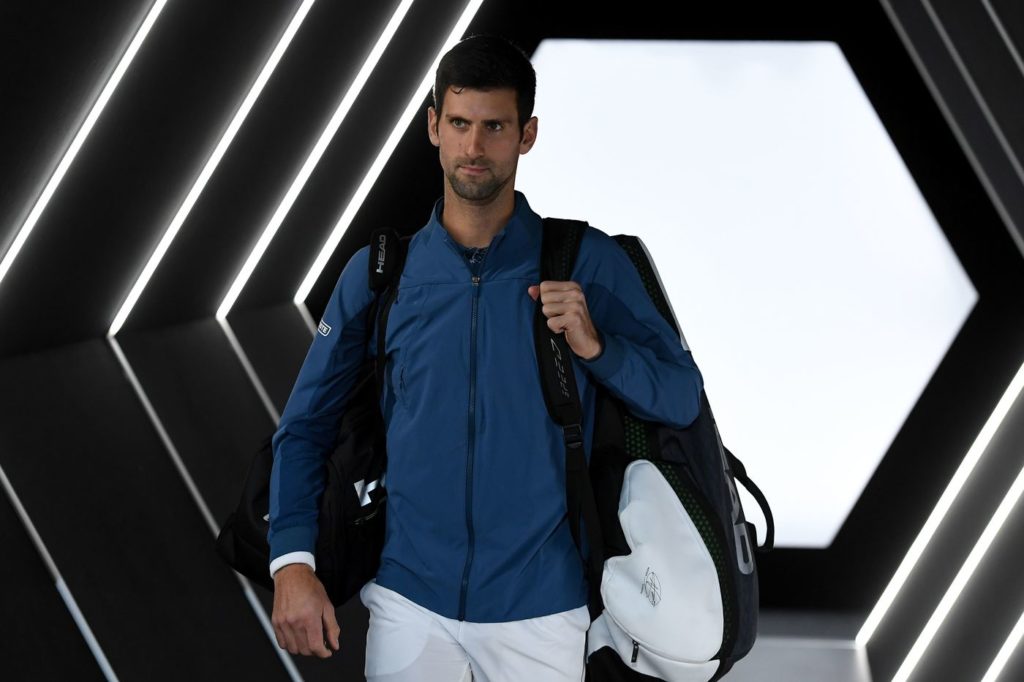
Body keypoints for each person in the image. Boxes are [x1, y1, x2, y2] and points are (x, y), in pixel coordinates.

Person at [268, 34, 703, 681]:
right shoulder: (382, 274)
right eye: (460, 124)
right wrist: (291, 563)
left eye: (494, 127)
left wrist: (598, 349)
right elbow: (305, 426)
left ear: (527, 135)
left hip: (545, 612)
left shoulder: (584, 262)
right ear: (433, 126)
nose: (474, 147)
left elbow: (681, 396)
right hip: (409, 603)